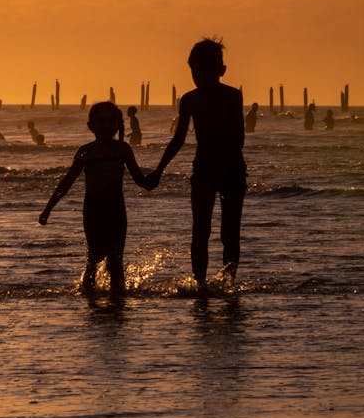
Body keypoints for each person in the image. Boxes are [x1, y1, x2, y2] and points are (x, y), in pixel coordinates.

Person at [147, 37, 245, 295]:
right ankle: (199, 284)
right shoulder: (190, 100)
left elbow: (238, 138)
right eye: (194, 72)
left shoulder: (232, 97)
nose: (199, 77)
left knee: (229, 233)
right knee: (200, 230)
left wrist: (224, 166)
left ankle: (228, 284)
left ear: (221, 71)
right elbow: (179, 139)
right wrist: (159, 169)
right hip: (203, 170)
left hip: (232, 170)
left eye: (204, 72)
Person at [39, 101, 149, 297]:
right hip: (93, 211)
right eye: (101, 121)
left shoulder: (123, 150)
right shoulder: (86, 151)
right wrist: (48, 209)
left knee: (115, 259)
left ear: (117, 125)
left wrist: (156, 177)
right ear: (91, 126)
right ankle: (88, 297)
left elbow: (141, 181)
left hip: (116, 210)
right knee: (94, 258)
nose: (106, 126)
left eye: (110, 122)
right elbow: (67, 182)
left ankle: (118, 299)